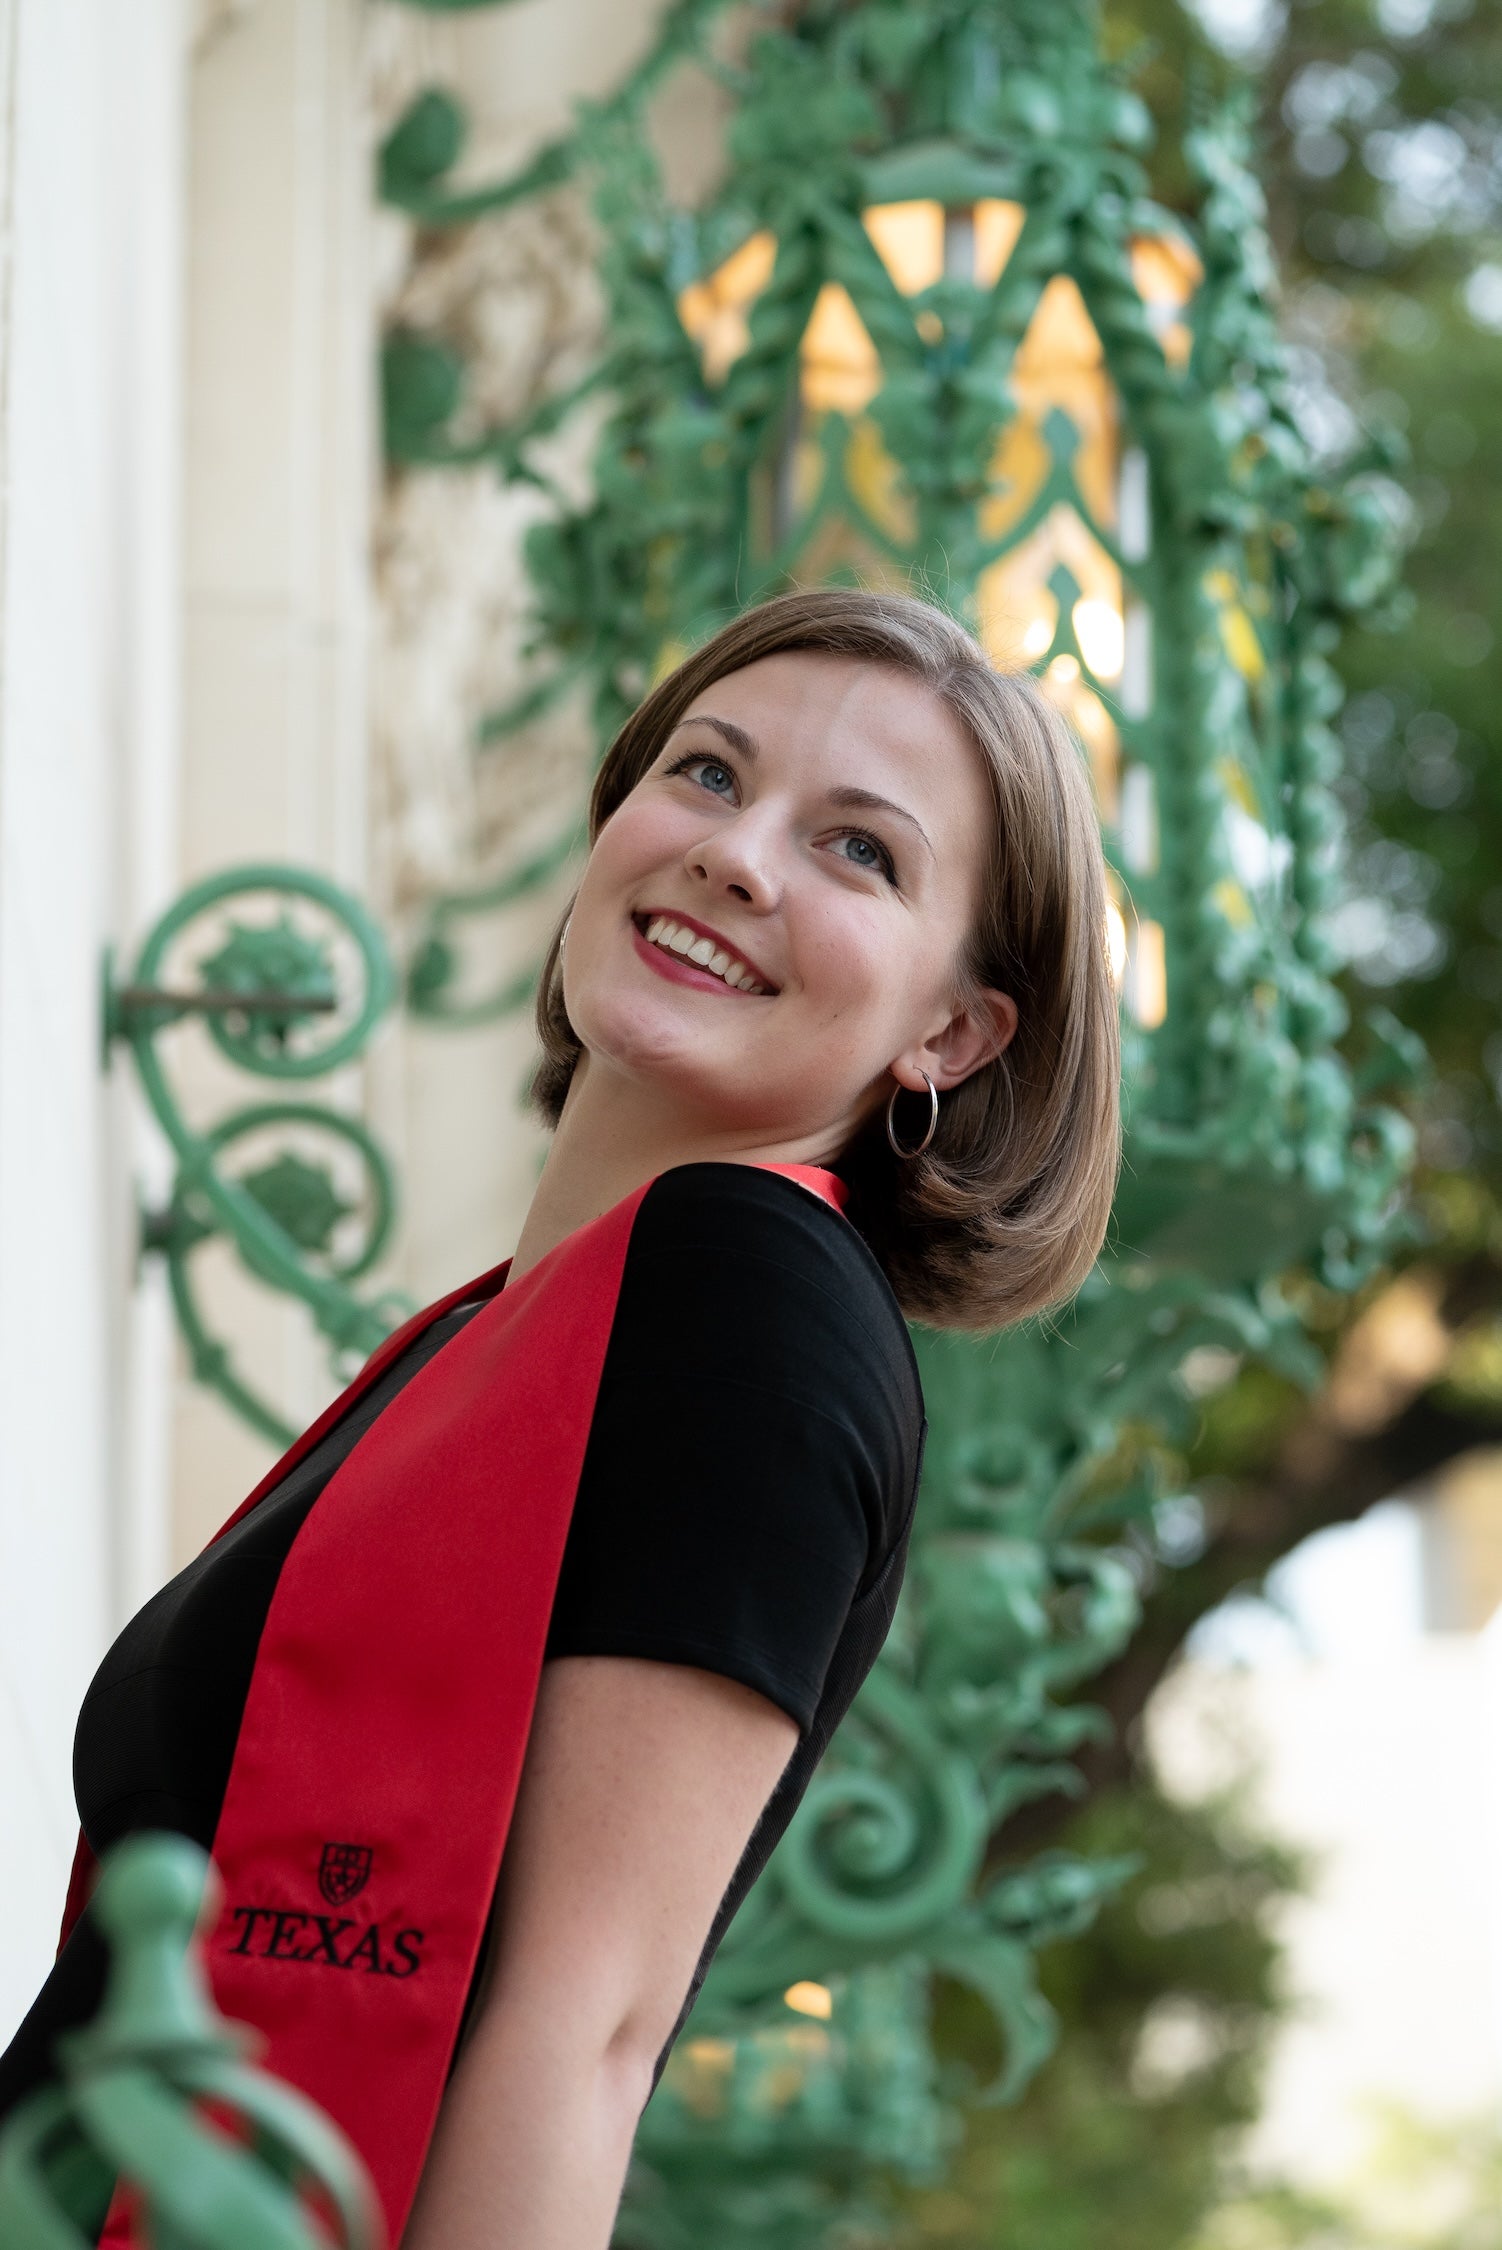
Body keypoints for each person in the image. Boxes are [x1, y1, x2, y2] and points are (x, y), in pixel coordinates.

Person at [0, 586, 1121, 2249]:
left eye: (859, 850)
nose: (736, 856)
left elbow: (578, 2032)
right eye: (707, 773)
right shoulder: (493, 1339)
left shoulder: (751, 1304)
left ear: (948, 1030)